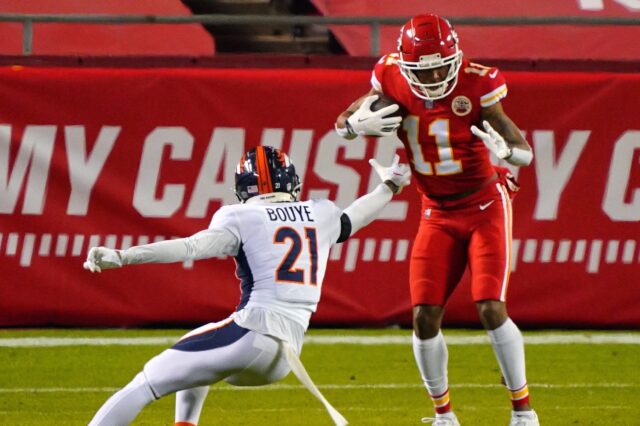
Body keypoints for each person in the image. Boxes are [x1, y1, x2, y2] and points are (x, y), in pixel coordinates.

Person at [83, 145, 411, 426]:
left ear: (244, 188)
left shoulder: (240, 217)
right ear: (292, 183)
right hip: (285, 355)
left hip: (249, 337)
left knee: (144, 383)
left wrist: (123, 256)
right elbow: (355, 216)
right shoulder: (319, 212)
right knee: (197, 343)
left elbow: (190, 248)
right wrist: (390, 186)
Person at [334, 13, 538, 426]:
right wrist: (353, 127)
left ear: (455, 57)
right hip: (435, 211)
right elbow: (342, 121)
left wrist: (508, 153)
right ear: (404, 63)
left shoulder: (478, 83)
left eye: (443, 67)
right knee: (424, 315)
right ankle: (443, 415)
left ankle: (523, 412)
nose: (435, 78)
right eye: (424, 70)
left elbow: (523, 149)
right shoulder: (390, 75)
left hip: (483, 205)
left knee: (489, 306)